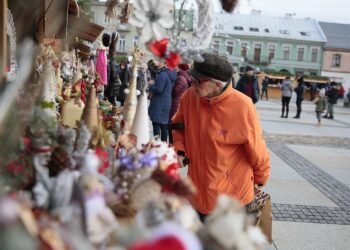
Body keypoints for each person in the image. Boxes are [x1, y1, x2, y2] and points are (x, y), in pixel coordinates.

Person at [171, 53, 270, 221]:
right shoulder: (189, 97)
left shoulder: (243, 106)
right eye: (192, 78)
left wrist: (260, 180)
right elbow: (178, 126)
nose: (192, 84)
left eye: (197, 81)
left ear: (216, 84)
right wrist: (180, 151)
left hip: (230, 200)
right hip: (196, 193)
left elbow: (257, 150)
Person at [148, 60, 177, 142]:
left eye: (159, 62)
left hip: (159, 103)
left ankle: (157, 145)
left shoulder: (163, 74)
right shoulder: (170, 74)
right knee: (163, 125)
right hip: (166, 102)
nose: (157, 63)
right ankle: (164, 144)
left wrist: (150, 85)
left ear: (165, 63)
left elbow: (159, 89)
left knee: (156, 124)